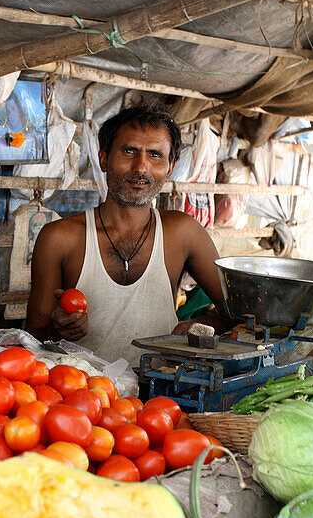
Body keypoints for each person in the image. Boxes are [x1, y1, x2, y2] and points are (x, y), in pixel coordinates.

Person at [25, 105, 233, 365]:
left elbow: (237, 313)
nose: (141, 167)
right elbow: (33, 338)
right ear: (103, 158)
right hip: (84, 396)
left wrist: (198, 326)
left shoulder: (183, 232)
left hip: (162, 396)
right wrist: (60, 328)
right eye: (129, 151)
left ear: (170, 168)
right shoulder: (60, 238)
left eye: (155, 155)